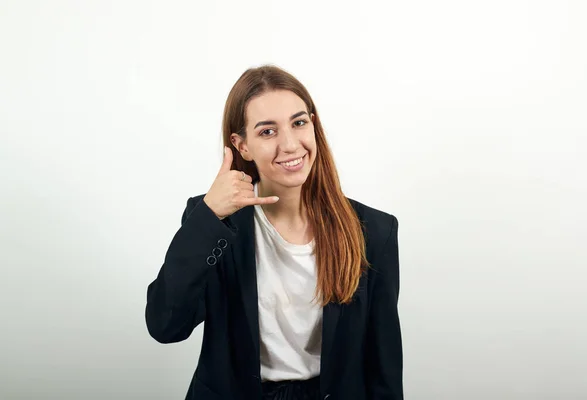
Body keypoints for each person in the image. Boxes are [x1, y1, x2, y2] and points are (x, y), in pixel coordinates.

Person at [145, 65, 403, 400]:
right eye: (267, 132)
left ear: (313, 124)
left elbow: (383, 369)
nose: (290, 144)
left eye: (299, 123)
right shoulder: (214, 221)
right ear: (243, 146)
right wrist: (208, 216)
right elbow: (166, 326)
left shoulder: (374, 231)